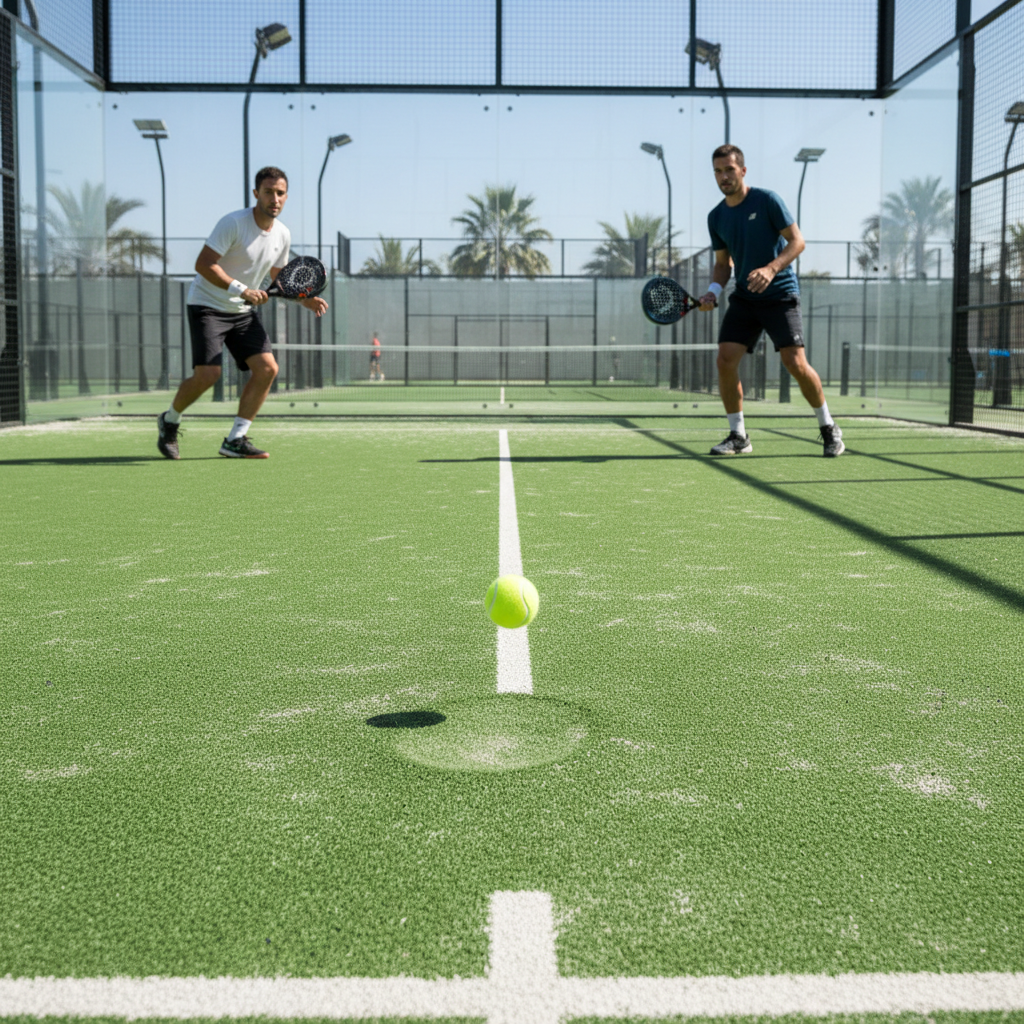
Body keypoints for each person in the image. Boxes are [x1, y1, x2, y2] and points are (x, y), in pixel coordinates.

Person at [156, 166, 328, 460]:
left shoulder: (283, 234)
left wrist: (303, 299)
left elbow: (279, 276)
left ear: (286, 197)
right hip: (207, 305)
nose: (275, 198)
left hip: (242, 312)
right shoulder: (233, 223)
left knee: (268, 369)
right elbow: (203, 264)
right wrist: (242, 289)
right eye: (268, 192)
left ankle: (236, 439)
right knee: (208, 375)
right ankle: (170, 421)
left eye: (280, 193)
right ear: (256, 194)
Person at [697, 145, 844, 457]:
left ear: (743, 171)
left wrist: (771, 268)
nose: (723, 177)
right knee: (725, 359)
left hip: (780, 294)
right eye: (718, 171)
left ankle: (829, 428)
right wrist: (713, 291)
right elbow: (723, 264)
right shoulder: (716, 217)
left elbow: (797, 241)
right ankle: (739, 436)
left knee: (795, 362)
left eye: (729, 170)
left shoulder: (767, 200)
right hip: (745, 297)